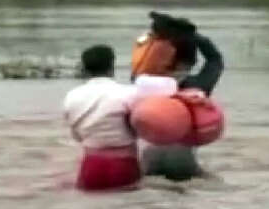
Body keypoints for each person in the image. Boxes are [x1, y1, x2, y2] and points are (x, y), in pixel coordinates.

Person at [135, 12, 224, 181]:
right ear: (190, 62)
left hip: (147, 160)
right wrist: (192, 36)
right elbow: (215, 59)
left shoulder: (142, 83)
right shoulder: (197, 87)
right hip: (183, 161)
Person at [63, 45, 141, 192]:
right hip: (124, 165)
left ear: (84, 69)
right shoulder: (130, 93)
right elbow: (143, 128)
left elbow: (77, 136)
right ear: (112, 67)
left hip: (90, 167)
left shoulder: (71, 96)